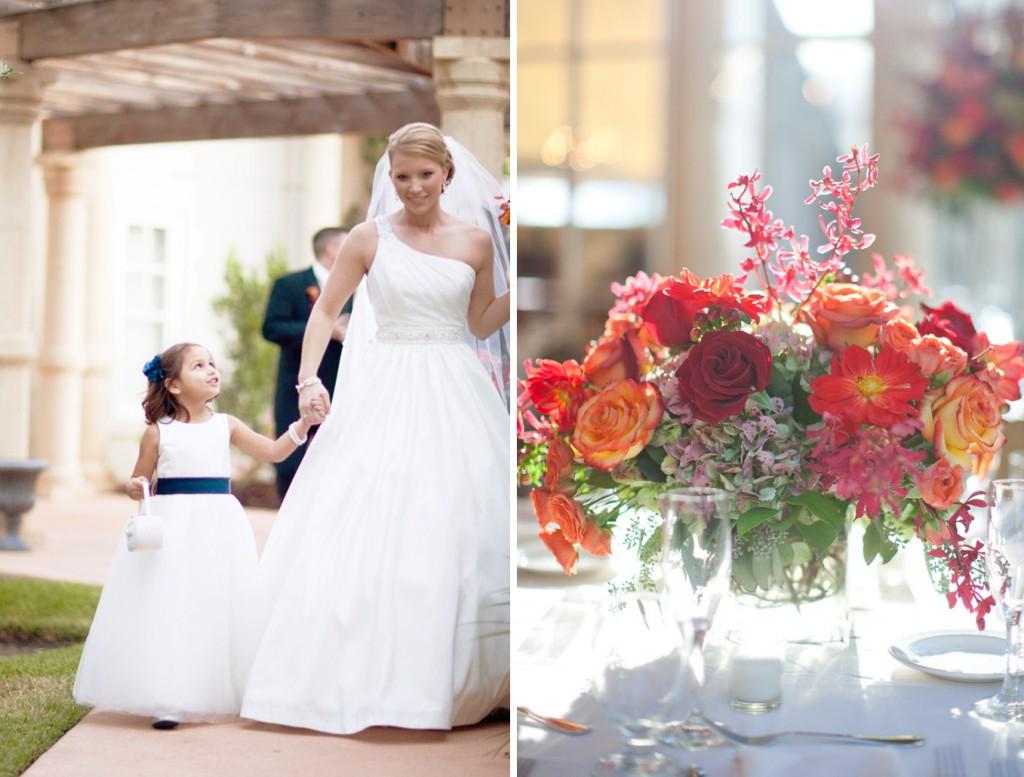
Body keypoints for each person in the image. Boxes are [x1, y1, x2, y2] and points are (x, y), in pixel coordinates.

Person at [241, 123, 511, 735]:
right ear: (389, 179)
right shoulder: (369, 238)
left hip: (453, 384)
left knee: (452, 514)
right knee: (368, 509)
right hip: (384, 385)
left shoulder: (475, 242)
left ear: (448, 176)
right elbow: (323, 314)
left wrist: (520, 288)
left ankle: (458, 677)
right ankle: (353, 676)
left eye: (424, 175)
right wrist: (309, 380)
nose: (413, 187)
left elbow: (479, 320)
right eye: (401, 176)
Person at [73, 342, 319, 729]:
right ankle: (169, 696)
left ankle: (238, 689)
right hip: (172, 528)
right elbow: (138, 478)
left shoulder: (227, 425)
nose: (211, 370)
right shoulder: (158, 433)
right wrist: (136, 487)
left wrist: (302, 427)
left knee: (219, 603)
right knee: (174, 605)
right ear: (172, 385)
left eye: (212, 364)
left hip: (218, 526)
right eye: (198, 365)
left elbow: (272, 452)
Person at [262, 227, 352, 498]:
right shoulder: (290, 284)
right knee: (291, 460)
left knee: (340, 459)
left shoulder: (360, 287)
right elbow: (272, 328)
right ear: (332, 250)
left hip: (343, 383)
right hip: (297, 384)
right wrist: (328, 330)